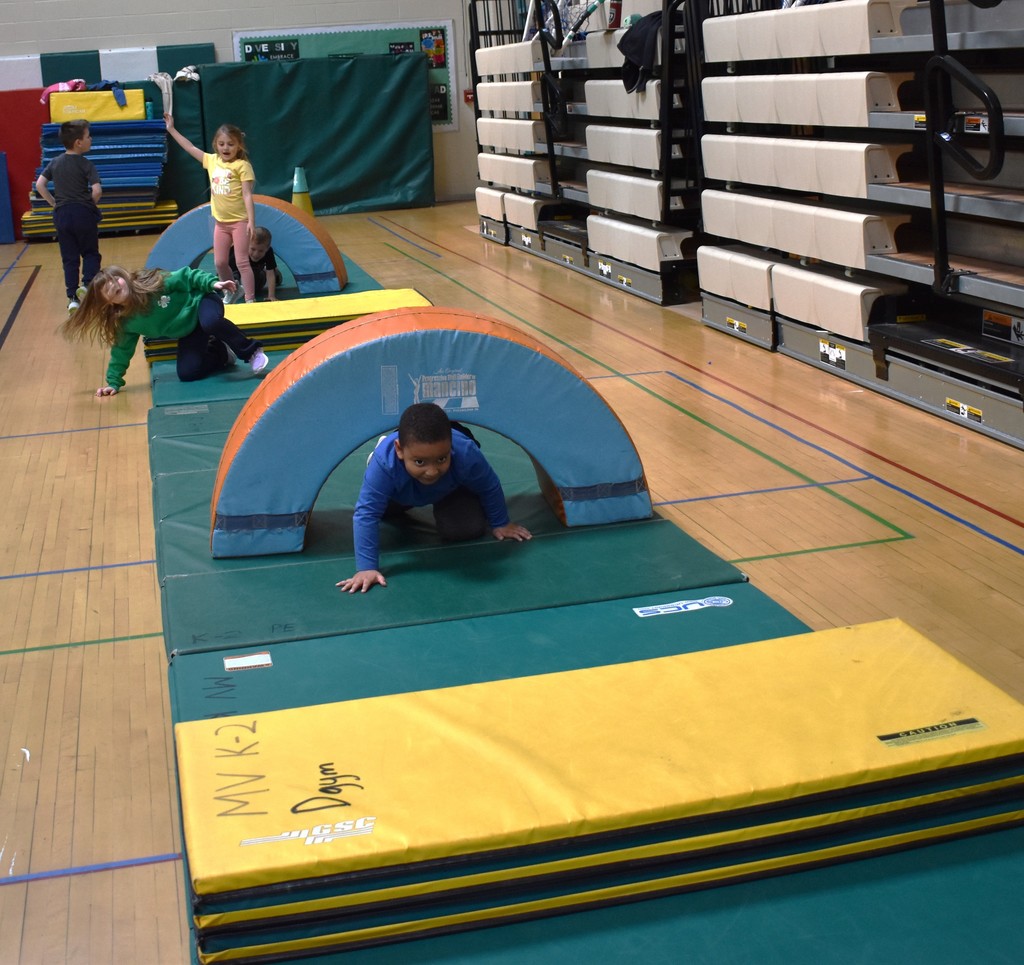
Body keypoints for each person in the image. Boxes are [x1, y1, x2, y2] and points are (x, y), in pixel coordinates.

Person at [337, 403, 532, 594]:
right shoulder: (385, 464)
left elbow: (489, 485)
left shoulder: (465, 452)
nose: (431, 471)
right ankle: (403, 474)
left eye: (441, 459)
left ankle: (430, 474)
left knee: (465, 529)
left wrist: (501, 522)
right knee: (383, 511)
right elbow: (366, 514)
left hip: (449, 488)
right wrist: (367, 567)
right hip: (399, 489)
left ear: (450, 447)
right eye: (420, 461)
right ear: (399, 450)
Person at [62, 265, 269, 397]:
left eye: (115, 279)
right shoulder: (126, 321)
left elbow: (187, 276)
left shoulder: (151, 284)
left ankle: (251, 352)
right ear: (107, 302)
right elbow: (121, 351)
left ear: (122, 276)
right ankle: (221, 353)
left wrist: (213, 283)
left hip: (201, 301)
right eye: (107, 290)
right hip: (188, 329)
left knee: (211, 323)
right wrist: (113, 382)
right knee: (187, 373)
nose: (114, 285)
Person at [163, 113, 258, 303]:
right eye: (222, 144)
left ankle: (250, 299)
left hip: (239, 222)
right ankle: (232, 290)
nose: (226, 148)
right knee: (220, 262)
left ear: (239, 145)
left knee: (242, 262)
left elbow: (248, 194)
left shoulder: (242, 166)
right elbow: (189, 147)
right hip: (221, 223)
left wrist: (251, 222)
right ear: (216, 144)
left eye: (231, 144)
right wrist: (171, 129)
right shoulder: (212, 161)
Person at [34, 119, 103, 313]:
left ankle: (72, 298)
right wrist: (88, 205)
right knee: (90, 253)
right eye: (88, 136)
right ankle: (87, 286)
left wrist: (55, 203)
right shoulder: (86, 164)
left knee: (69, 258)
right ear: (78, 142)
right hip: (83, 213)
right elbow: (97, 191)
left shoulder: (54, 162)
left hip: (62, 215)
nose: (91, 139)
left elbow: (40, 185)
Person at [228, 226, 281, 301]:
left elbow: (270, 274)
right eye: (253, 249)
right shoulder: (237, 251)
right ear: (246, 244)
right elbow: (225, 270)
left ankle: (276, 274)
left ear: (267, 248)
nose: (256, 254)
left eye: (261, 251)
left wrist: (271, 295)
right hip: (237, 273)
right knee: (232, 278)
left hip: (257, 274)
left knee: (261, 275)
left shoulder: (268, 252)